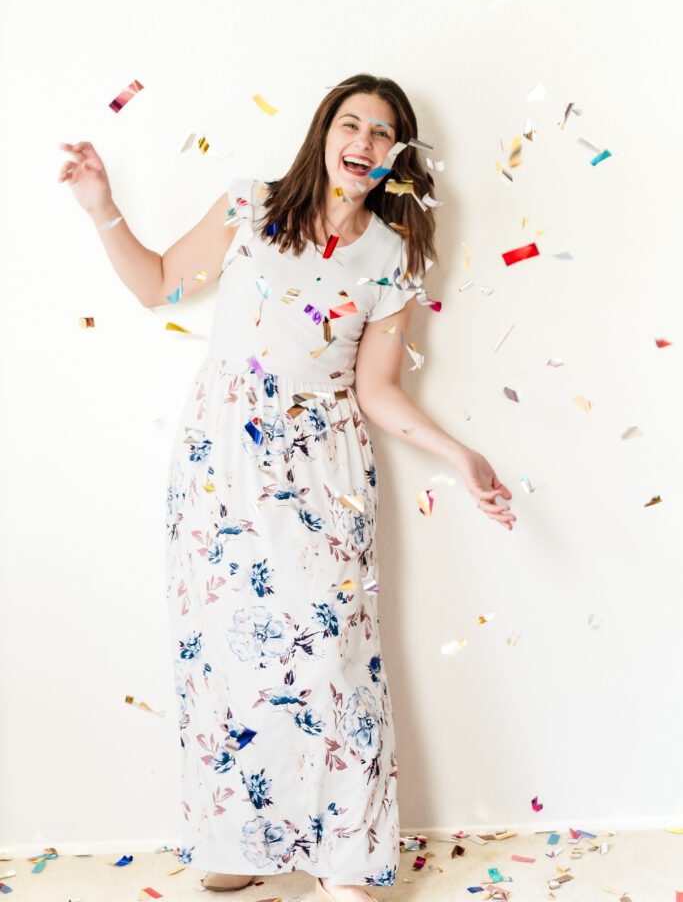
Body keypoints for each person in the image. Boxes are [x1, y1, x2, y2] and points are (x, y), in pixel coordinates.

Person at [58, 73, 516, 900]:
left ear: (398, 156)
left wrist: (459, 456)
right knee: (222, 650)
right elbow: (156, 284)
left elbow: (377, 390)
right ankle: (244, 840)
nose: (365, 145)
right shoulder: (250, 206)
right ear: (323, 132)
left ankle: (344, 856)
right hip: (223, 458)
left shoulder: (394, 255)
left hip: (326, 462)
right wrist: (101, 204)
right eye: (353, 125)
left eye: (383, 135)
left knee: (334, 652)